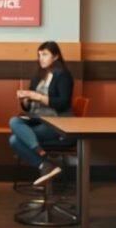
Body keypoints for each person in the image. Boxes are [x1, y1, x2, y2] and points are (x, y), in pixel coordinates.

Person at [8, 41, 75, 186]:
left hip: (57, 124)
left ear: (56, 56)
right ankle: (44, 161)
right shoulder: (39, 76)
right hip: (37, 120)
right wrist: (25, 100)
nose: (41, 58)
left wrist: (37, 96)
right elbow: (29, 107)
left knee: (14, 140)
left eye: (45, 54)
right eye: (39, 55)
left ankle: (43, 160)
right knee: (14, 121)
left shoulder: (63, 76)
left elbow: (64, 103)